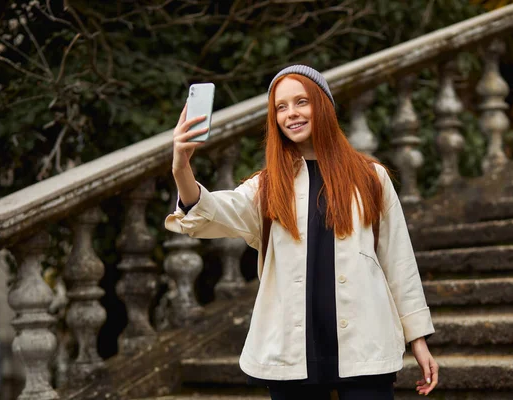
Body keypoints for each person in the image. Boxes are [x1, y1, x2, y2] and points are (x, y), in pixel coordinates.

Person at [165, 65, 438, 399]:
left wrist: (418, 339)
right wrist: (181, 166)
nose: (291, 114)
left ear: (322, 105)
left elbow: (398, 261)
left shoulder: (371, 177)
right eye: (281, 107)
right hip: (291, 353)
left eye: (301, 102)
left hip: (366, 345)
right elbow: (211, 212)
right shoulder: (267, 186)